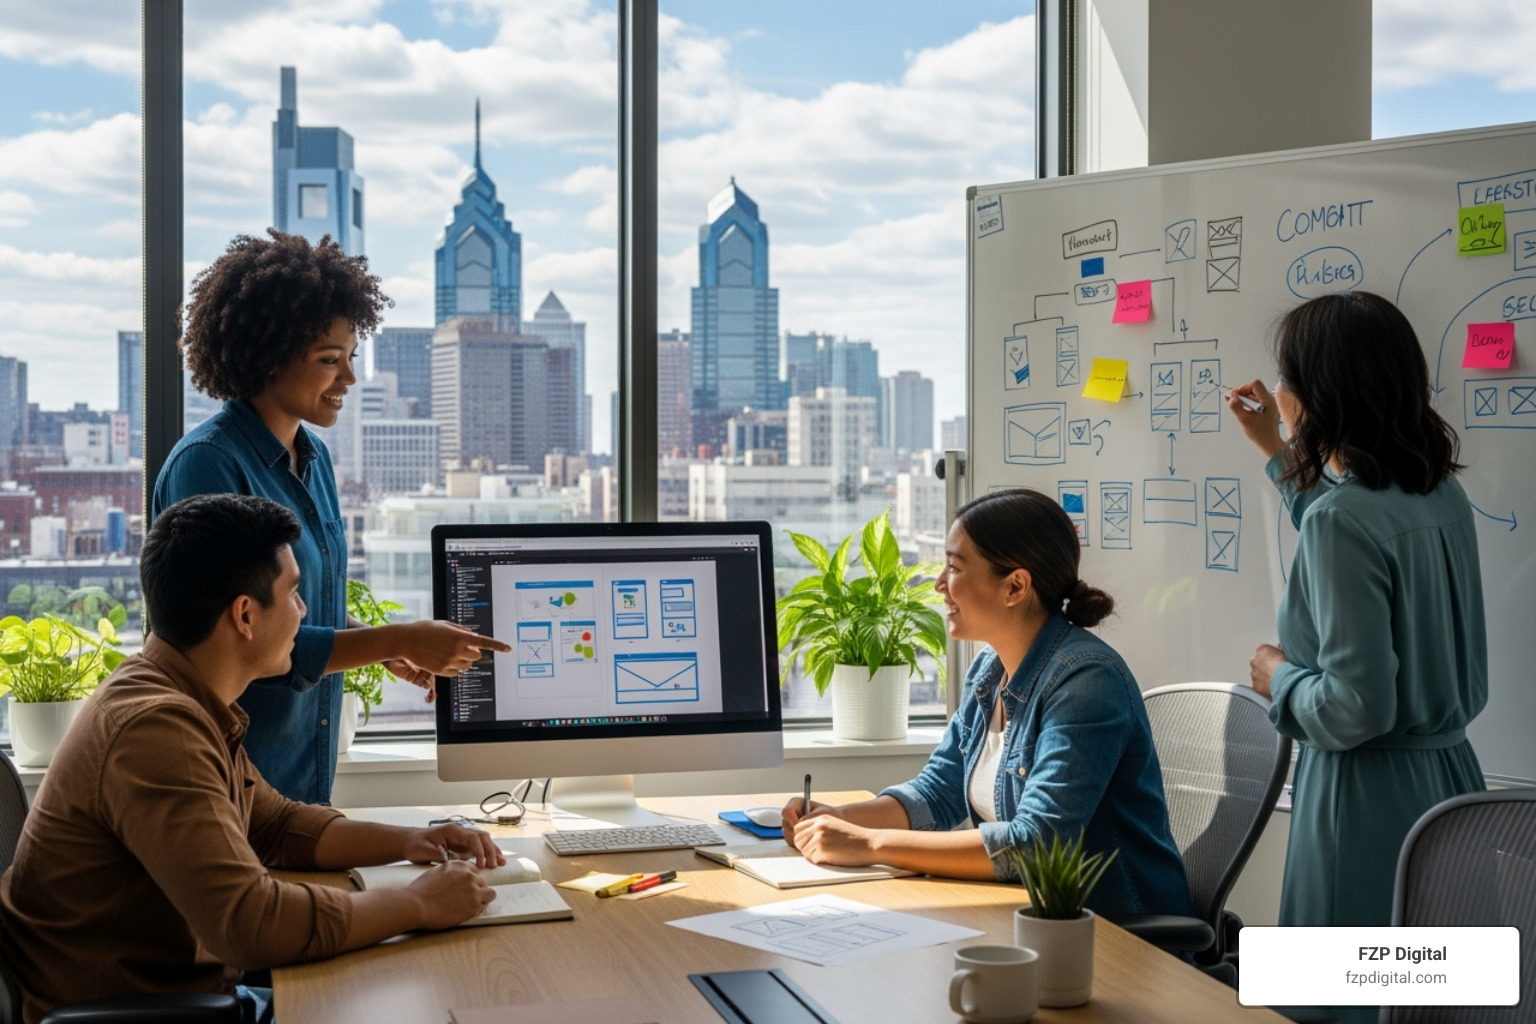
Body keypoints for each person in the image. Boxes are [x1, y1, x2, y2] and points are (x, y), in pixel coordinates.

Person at [0, 494, 502, 1024]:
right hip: (132, 1011)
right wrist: (418, 903)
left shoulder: (176, 695)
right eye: (294, 593)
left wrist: (410, 841)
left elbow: (277, 825)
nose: (303, 611)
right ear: (244, 615)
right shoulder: (155, 729)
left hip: (178, 994)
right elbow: (250, 924)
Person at [155, 230, 510, 804]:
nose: (348, 379)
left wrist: (385, 646)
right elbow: (237, 642)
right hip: (223, 790)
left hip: (302, 790)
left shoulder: (312, 458)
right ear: (267, 356)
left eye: (350, 358)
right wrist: (400, 637)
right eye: (329, 361)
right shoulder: (209, 466)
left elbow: (302, 611)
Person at [1228, 292, 1487, 1024]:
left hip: (1363, 804)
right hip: (1447, 788)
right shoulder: (1437, 495)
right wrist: (1279, 454)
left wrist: (1278, 680)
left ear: (1312, 393)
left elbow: (1353, 708)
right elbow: (1344, 528)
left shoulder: (1345, 519)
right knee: (1437, 1003)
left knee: (1344, 1007)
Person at [781, 489, 1193, 917]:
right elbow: (937, 792)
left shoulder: (1087, 682)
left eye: (955, 567)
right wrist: (839, 819)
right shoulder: (989, 670)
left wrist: (869, 844)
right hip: (1029, 916)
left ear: (1015, 586)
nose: (939, 583)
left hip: (1118, 930)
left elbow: (1035, 845)